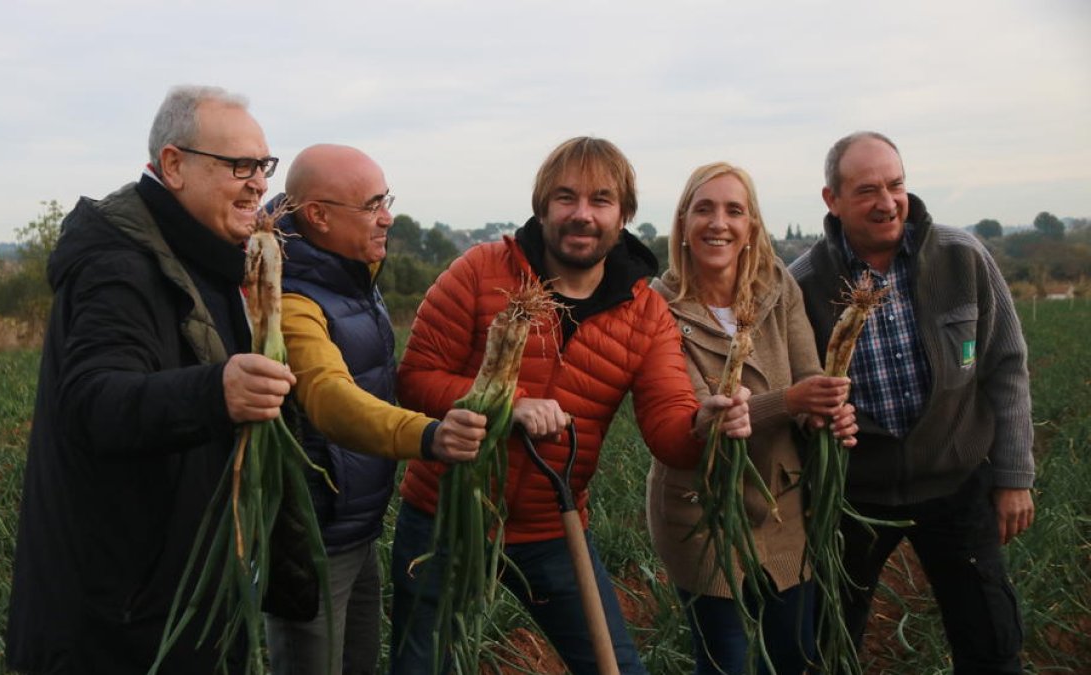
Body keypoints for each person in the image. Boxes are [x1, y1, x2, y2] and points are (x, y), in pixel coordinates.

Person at [389, 136, 753, 675]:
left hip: (551, 529)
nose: (583, 215)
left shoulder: (645, 313)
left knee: (615, 666)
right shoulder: (479, 271)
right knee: (421, 666)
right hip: (444, 517)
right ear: (542, 206)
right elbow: (415, 379)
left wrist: (705, 423)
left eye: (601, 200)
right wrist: (504, 407)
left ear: (623, 214)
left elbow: (668, 430)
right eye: (566, 198)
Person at [4, 85, 296, 674]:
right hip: (123, 620)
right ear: (173, 165)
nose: (259, 183)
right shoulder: (120, 266)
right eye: (239, 165)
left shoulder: (206, 257)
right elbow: (93, 402)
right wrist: (216, 391)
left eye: (263, 166)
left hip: (185, 595)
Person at [789, 131, 1034, 674]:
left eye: (896, 184)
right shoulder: (803, 284)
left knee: (992, 641)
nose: (887, 201)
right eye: (867, 190)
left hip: (955, 484)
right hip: (852, 498)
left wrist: (1014, 476)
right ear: (832, 200)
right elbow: (792, 395)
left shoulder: (961, 257)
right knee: (830, 648)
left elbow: (1006, 367)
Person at [260, 144, 486, 675]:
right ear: (317, 215)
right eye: (372, 204)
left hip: (355, 527)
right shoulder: (292, 299)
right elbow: (330, 399)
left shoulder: (350, 276)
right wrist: (429, 436)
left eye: (386, 199)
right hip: (314, 537)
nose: (387, 215)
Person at [646, 162, 857, 674]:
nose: (719, 222)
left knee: (793, 656)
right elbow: (699, 416)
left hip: (783, 505)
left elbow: (808, 371)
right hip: (705, 512)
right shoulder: (657, 304)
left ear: (751, 228)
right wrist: (792, 402)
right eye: (705, 209)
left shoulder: (777, 286)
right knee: (725, 663)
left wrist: (828, 415)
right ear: (683, 222)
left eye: (734, 211)